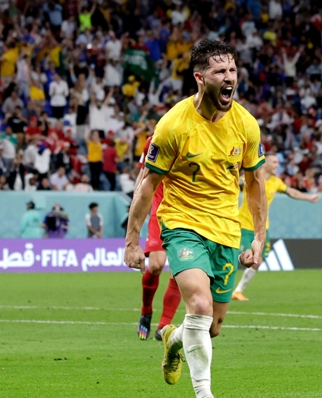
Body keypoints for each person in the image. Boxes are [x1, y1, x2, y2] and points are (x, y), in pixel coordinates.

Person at [123, 40, 267, 398]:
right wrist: (131, 240)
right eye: (221, 71)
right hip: (182, 223)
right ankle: (204, 394)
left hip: (226, 231)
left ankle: (173, 336)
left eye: (233, 70)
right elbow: (146, 185)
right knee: (199, 307)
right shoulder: (173, 125)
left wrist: (259, 238)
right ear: (200, 78)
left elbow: (255, 184)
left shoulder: (246, 125)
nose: (229, 77)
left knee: (212, 327)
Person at [231, 153, 319, 301]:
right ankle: (219, 286)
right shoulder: (250, 176)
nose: (277, 165)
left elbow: (291, 192)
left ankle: (238, 291)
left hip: (263, 228)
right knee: (244, 257)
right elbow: (232, 183)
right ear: (264, 163)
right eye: (274, 162)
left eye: (278, 163)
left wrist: (308, 198)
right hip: (245, 224)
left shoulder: (276, 182)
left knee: (257, 261)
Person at [136, 135, 181, 341]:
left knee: (180, 272)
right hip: (160, 210)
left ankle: (163, 325)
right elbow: (143, 176)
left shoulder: (201, 136)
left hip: (187, 214)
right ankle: (146, 310)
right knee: (155, 265)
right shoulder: (155, 140)